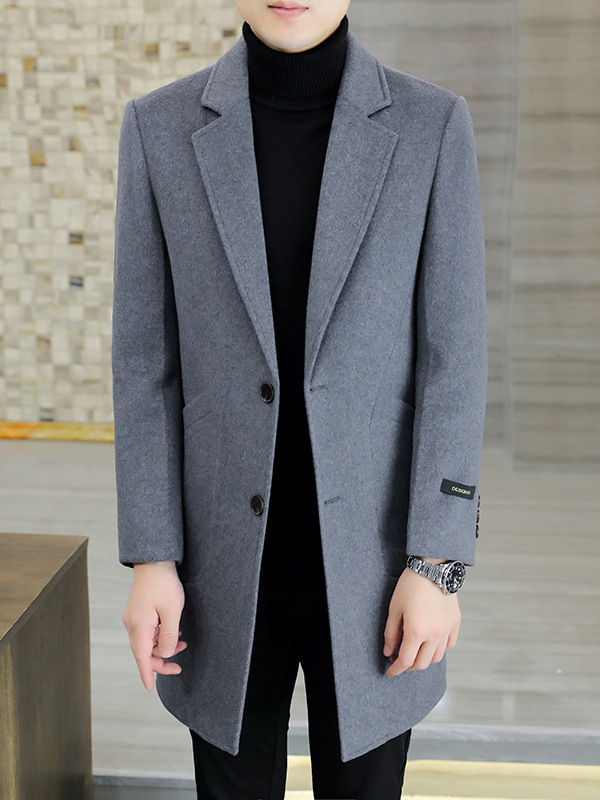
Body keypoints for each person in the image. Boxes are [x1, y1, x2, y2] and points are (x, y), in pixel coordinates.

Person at [111, 1, 487, 798]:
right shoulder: (158, 128)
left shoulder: (432, 125)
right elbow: (145, 364)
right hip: (218, 566)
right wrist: (152, 556)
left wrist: (438, 563)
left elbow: (452, 364)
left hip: (379, 564)